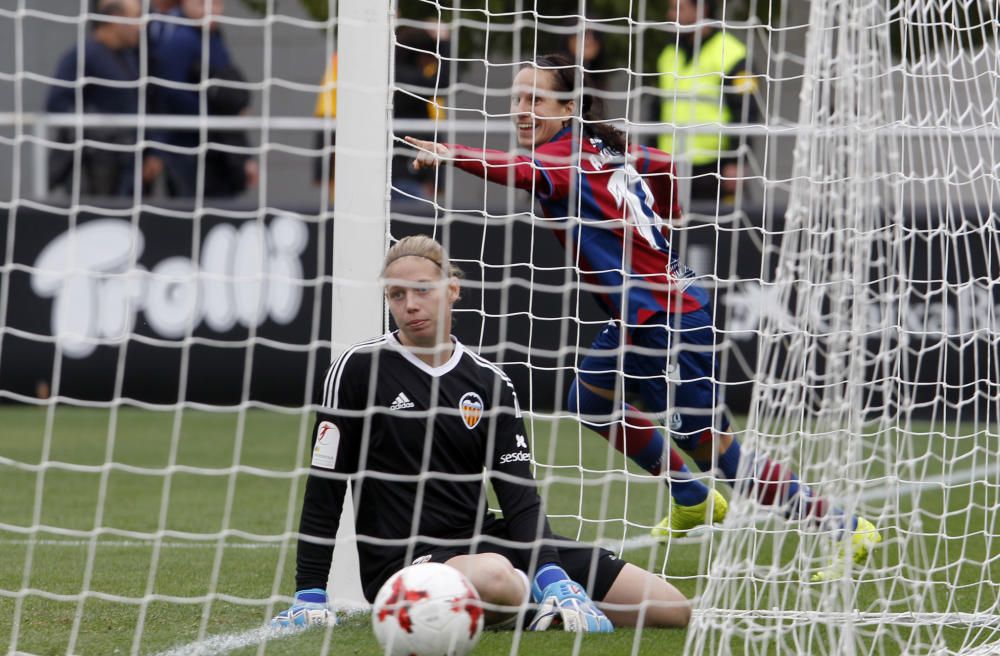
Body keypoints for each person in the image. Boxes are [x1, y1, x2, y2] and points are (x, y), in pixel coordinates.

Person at [404, 53, 880, 581]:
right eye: (516, 98)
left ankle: (843, 526)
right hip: (642, 313)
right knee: (588, 398)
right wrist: (667, 219)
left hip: (666, 320)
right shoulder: (603, 148)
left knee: (717, 451)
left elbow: (518, 171)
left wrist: (454, 153)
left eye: (534, 99)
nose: (521, 110)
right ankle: (692, 497)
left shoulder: (564, 161)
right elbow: (658, 162)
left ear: (568, 107)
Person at [271, 235, 691, 632]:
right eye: (397, 295)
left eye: (422, 290)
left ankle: (553, 600)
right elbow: (325, 485)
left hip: (487, 540)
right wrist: (310, 591)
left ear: (452, 288)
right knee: (494, 578)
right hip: (405, 563)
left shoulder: (489, 381)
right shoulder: (357, 369)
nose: (409, 305)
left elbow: (518, 493)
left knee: (668, 607)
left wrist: (554, 573)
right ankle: (540, 612)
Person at [45, 0, 162, 196]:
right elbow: (57, 104)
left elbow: (140, 106)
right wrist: (100, 130)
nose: (141, 27)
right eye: (136, 19)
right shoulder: (83, 56)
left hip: (128, 166)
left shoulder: (130, 57)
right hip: (94, 171)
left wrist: (150, 152)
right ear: (115, 19)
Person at [150, 0, 258, 197]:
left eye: (217, 4)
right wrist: (218, 114)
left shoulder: (214, 37)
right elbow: (172, 95)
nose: (212, 10)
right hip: (187, 149)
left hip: (218, 151)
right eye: (202, 3)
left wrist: (244, 154)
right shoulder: (180, 39)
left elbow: (229, 95)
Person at [656, 0, 760, 200]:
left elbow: (746, 111)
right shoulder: (668, 53)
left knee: (718, 229)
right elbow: (657, 109)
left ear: (702, 9)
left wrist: (738, 161)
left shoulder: (732, 52)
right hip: (670, 166)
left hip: (715, 167)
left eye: (679, 9)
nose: (671, 15)